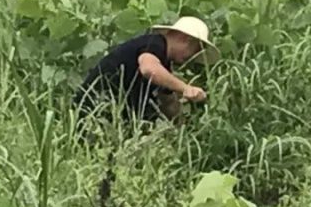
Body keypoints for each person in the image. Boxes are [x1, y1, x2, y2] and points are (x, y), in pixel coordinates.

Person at [75, 16, 219, 127]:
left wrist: (183, 128)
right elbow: (149, 69)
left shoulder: (163, 62)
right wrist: (186, 88)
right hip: (94, 112)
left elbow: (167, 101)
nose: (191, 57)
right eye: (195, 50)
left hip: (106, 116)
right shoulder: (155, 44)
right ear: (184, 39)